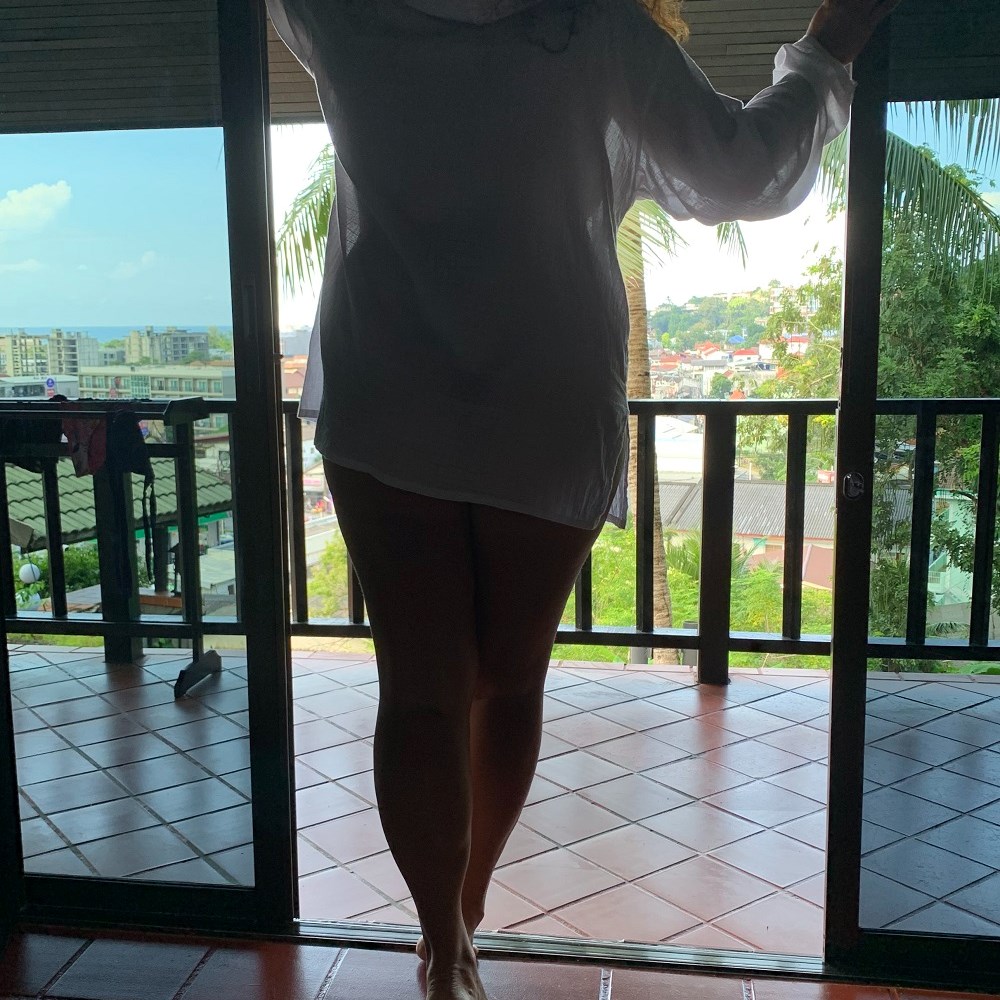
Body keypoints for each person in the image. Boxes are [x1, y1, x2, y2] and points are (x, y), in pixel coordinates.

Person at [265, 2, 901, 998]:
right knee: (510, 681)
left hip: (388, 386)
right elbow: (742, 169)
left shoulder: (344, 11)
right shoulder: (600, 32)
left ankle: (443, 946)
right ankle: (465, 917)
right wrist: (826, 48)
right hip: (546, 391)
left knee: (420, 688)